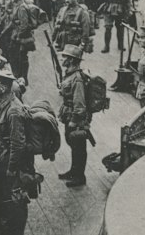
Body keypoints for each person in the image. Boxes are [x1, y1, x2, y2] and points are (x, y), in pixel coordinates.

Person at [0, 70, 33, 235]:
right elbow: (0, 134)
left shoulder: (13, 111)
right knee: (4, 194)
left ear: (4, 88)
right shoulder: (1, 104)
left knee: (16, 198)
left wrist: (12, 169)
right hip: (3, 154)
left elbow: (17, 144)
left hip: (15, 161)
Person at [57, 45, 90, 187]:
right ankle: (73, 171)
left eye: (65, 57)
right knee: (73, 144)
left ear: (71, 60)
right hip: (69, 115)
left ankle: (79, 176)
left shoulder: (77, 78)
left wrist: (74, 121)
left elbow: (80, 103)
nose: (62, 59)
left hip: (76, 118)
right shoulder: (70, 74)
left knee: (78, 146)